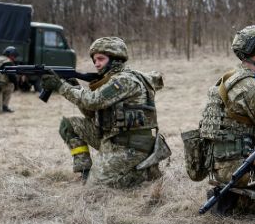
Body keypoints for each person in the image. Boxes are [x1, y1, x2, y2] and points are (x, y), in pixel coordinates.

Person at [191, 25, 255, 216]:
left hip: (221, 167)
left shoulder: (227, 79)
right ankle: (245, 200)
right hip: (240, 169)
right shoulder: (252, 88)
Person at [41, 36, 170, 187]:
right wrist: (74, 88)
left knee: (96, 189)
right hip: (112, 139)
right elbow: (91, 112)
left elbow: (93, 101)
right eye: (94, 60)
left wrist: (61, 87)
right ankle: (85, 173)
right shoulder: (110, 79)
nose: (96, 64)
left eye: (100, 59)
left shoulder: (124, 80)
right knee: (69, 125)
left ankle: (141, 172)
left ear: (115, 58)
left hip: (132, 147)